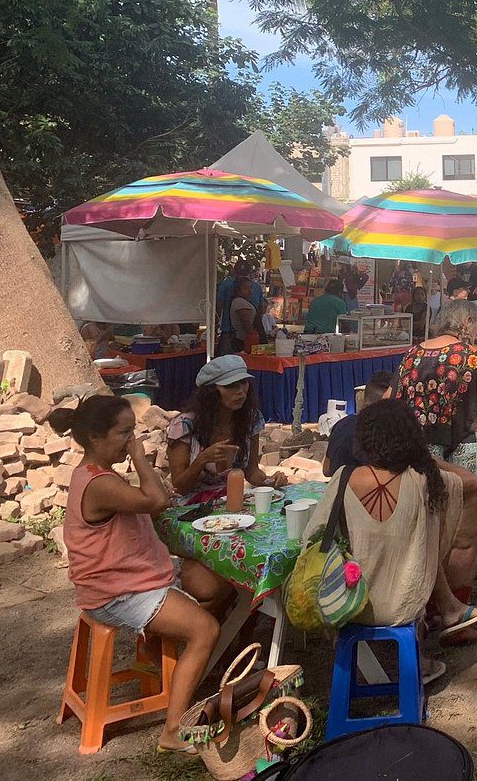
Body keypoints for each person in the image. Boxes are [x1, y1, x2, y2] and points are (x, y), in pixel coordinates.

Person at [59, 395, 232, 755]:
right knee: (206, 630)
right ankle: (172, 730)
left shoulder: (97, 474)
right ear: (95, 438)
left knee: (215, 587)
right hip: (116, 593)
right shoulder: (99, 483)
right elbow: (156, 501)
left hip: (131, 582)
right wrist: (140, 458)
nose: (132, 440)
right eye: (124, 433)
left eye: (133, 432)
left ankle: (162, 655)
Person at [305, 400, 477, 683]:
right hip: (405, 606)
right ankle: (419, 658)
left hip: (347, 605)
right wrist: (424, 458)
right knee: (422, 545)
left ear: (364, 439)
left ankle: (375, 667)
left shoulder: (343, 478)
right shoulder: (423, 481)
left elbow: (312, 536)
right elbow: (471, 481)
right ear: (411, 438)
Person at [390, 300, 477, 606]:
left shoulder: (412, 355)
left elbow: (389, 401)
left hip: (419, 455)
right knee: (463, 540)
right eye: (476, 324)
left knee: (424, 533)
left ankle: (425, 606)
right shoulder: (474, 357)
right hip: (465, 451)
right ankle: (456, 614)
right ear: (466, 322)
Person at [167, 356, 287, 496]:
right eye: (230, 385)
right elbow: (179, 488)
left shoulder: (251, 419)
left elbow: (251, 472)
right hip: (191, 507)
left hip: (231, 502)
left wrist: (271, 481)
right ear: (211, 392)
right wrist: (202, 459)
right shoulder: (184, 425)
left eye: (244, 382)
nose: (240, 391)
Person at [324, 370, 393, 476]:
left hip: (338, 488)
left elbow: (326, 470)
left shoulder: (342, 424)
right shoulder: (381, 432)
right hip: (366, 490)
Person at [228, 276, 260, 355]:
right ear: (238, 290)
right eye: (246, 288)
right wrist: (253, 338)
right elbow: (246, 323)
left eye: (251, 288)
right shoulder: (240, 302)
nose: (250, 291)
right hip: (243, 340)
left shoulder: (243, 302)